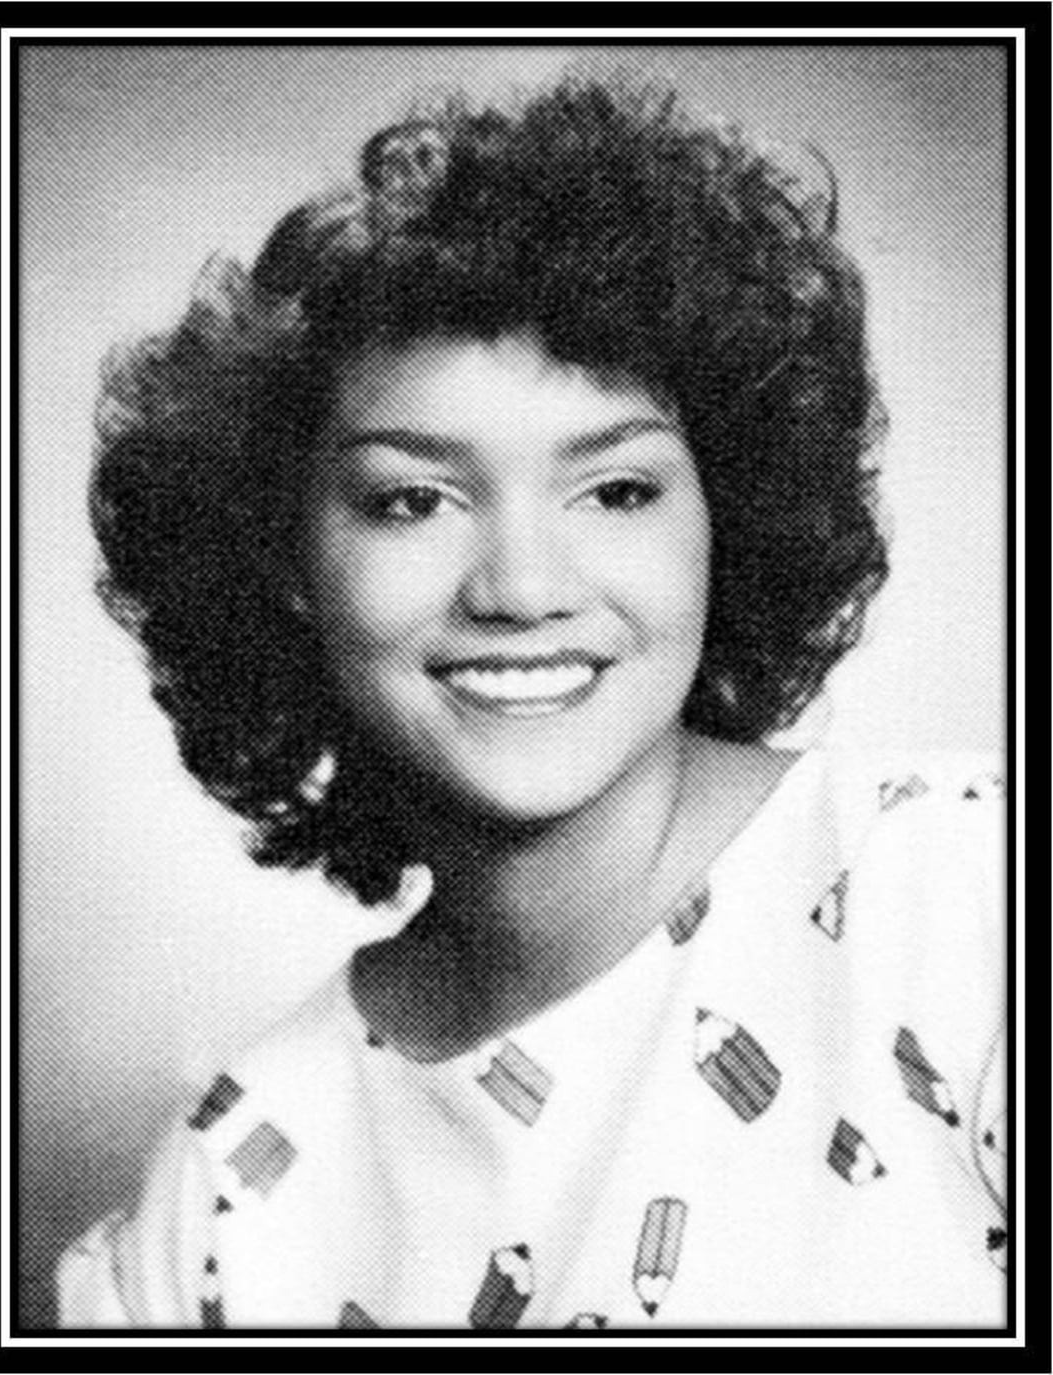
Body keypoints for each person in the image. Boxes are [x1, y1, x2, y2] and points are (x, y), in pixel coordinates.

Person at [57, 75, 1005, 1329]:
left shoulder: (973, 905)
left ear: (728, 517)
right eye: (411, 500)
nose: (522, 588)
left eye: (615, 490)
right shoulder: (230, 1185)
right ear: (286, 567)